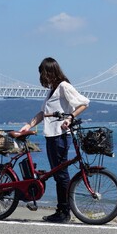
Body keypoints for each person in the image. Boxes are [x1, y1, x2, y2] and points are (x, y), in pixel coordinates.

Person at [19, 57, 89, 223]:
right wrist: (28, 125)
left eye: (42, 73)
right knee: (59, 174)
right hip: (51, 136)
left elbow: (84, 103)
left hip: (60, 135)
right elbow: (42, 113)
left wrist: (70, 118)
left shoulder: (64, 86)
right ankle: (62, 210)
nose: (41, 77)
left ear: (49, 71)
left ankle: (63, 212)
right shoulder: (52, 90)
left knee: (61, 175)